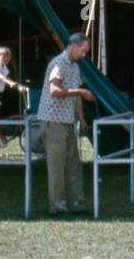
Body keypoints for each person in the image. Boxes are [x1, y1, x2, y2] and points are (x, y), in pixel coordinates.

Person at [38, 33, 95, 215]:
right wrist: (80, 91)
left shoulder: (76, 68)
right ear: (73, 46)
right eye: (83, 51)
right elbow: (55, 91)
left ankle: (77, 203)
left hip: (68, 122)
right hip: (53, 121)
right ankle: (58, 207)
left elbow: (76, 96)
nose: (84, 55)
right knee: (57, 167)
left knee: (74, 165)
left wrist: (82, 120)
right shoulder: (58, 63)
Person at [0, 46, 27, 146]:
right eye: (3, 56)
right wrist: (10, 84)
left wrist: (18, 86)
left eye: (8, 57)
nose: (6, 59)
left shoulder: (5, 68)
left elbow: (7, 78)